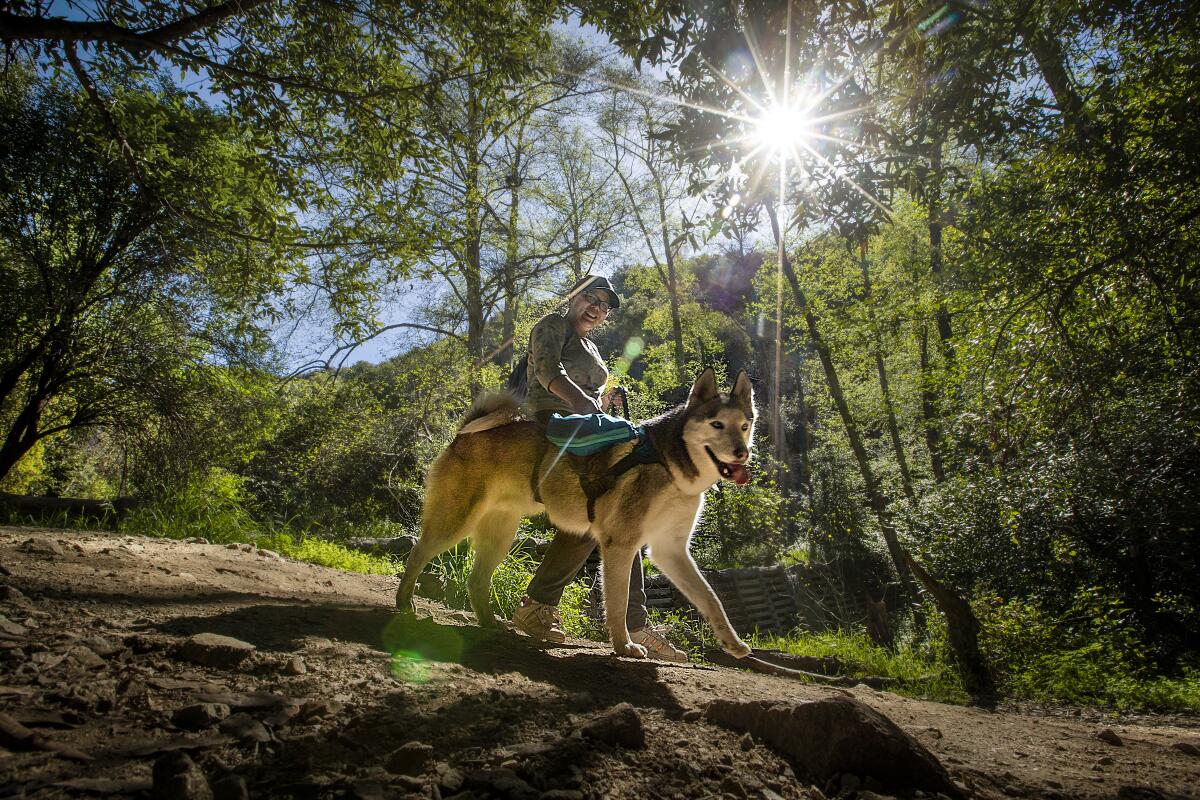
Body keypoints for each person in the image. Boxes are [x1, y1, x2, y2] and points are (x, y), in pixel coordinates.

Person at [510, 275, 688, 662]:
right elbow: (547, 372)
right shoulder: (553, 325)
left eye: (604, 305)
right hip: (552, 421)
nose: (596, 308)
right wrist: (586, 405)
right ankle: (543, 606)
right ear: (574, 297)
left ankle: (632, 623)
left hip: (584, 427)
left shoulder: (591, 345)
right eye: (591, 298)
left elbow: (589, 395)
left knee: (625, 512)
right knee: (600, 512)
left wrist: (602, 403)